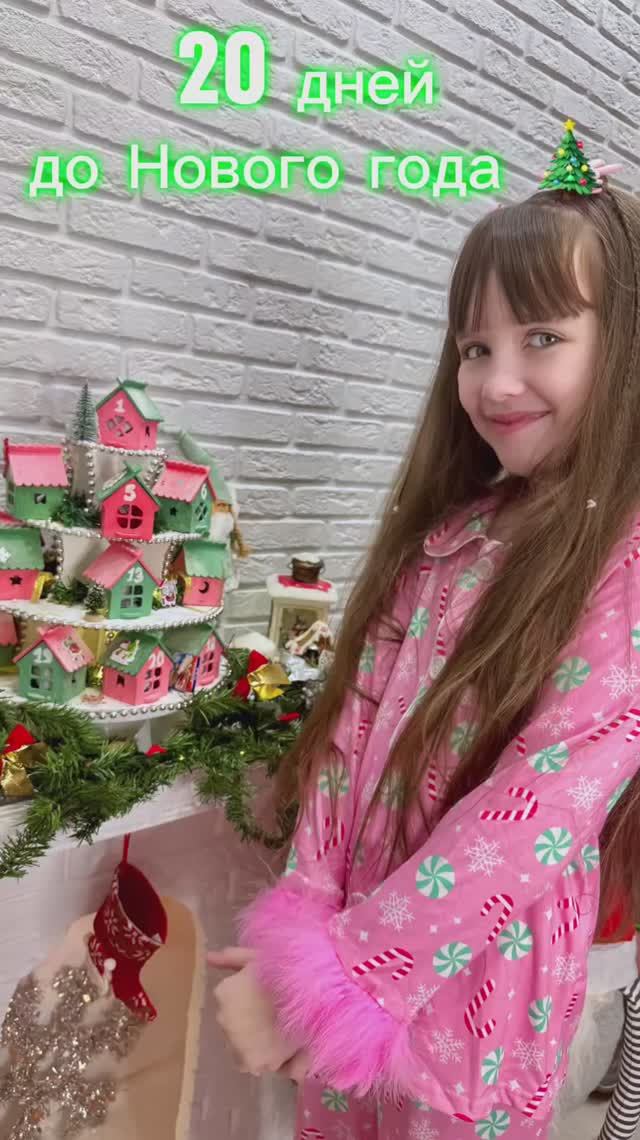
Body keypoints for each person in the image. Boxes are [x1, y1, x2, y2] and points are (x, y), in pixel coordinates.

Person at [209, 123, 640, 1140]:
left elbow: (537, 808)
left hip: (479, 992)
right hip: (351, 955)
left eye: (542, 338)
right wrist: (306, 935)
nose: (495, 382)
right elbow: (347, 731)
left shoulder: (624, 563)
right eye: (475, 348)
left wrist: (347, 975)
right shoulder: (450, 537)